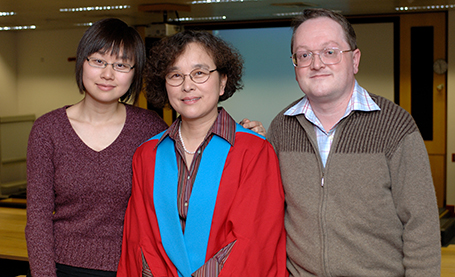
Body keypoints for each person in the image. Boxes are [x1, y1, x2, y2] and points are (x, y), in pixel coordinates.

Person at [267, 8, 441, 276]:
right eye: (304, 55)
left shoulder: (395, 126)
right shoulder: (280, 128)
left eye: (330, 52)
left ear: (355, 59)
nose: (316, 64)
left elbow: (422, 225)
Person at [117, 30, 288, 277]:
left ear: (222, 82)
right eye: (175, 75)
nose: (187, 85)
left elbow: (253, 240)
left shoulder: (254, 151)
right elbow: (140, 239)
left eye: (199, 73)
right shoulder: (147, 155)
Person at [25, 18, 169, 277]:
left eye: (121, 65)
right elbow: (38, 218)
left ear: (135, 73)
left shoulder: (151, 128)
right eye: (99, 61)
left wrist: (245, 133)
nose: (108, 74)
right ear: (82, 62)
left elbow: (192, 160)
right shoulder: (47, 130)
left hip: (132, 267)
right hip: (62, 267)